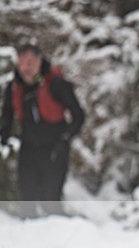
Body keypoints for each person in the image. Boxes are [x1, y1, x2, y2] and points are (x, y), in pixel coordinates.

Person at [0, 42, 85, 217]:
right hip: (29, 148)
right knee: (28, 200)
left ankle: (66, 234)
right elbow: (7, 115)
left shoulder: (56, 84)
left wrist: (66, 137)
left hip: (55, 148)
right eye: (21, 63)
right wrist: (4, 137)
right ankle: (30, 238)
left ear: (40, 61)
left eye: (30, 63)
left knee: (50, 200)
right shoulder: (15, 87)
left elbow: (78, 116)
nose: (25, 68)